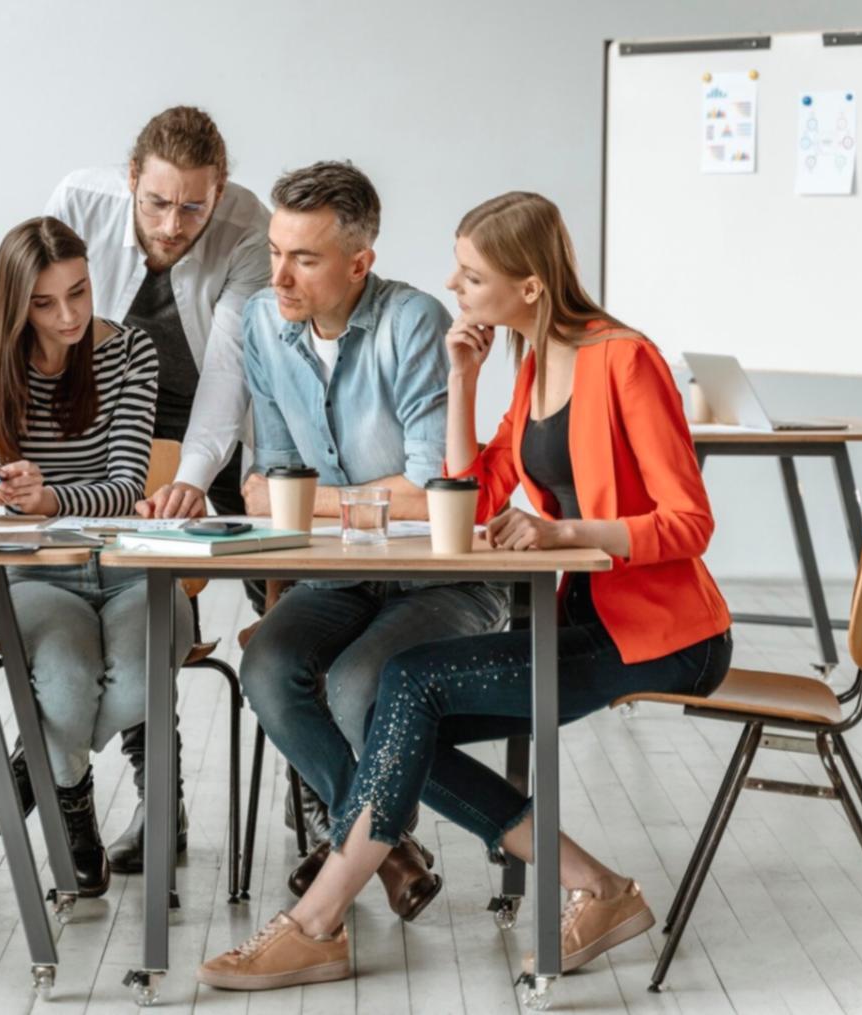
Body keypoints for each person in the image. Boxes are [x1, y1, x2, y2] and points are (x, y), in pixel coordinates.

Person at [199, 191, 734, 990]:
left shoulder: (624, 358)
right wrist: (463, 378)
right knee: (397, 709)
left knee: (410, 683)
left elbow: (691, 522)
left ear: (528, 286)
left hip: (665, 635)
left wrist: (565, 533)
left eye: (471, 272)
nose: (453, 283)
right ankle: (598, 886)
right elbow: (471, 492)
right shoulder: (532, 362)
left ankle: (316, 921)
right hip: (583, 621)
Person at [234, 161, 509, 916]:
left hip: (442, 578)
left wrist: (312, 502)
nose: (280, 276)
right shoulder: (262, 321)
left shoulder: (412, 322)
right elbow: (268, 482)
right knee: (268, 661)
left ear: (360, 263)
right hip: (341, 573)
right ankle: (389, 848)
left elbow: (429, 489)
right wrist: (324, 502)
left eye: (306, 258)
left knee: (361, 683)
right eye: (275, 250)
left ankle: (352, 850)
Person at [0, 216, 194, 896]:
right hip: (40, 575)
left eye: (79, 291)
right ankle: (72, 808)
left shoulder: (130, 348)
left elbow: (126, 485)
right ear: (14, 304)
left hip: (138, 568)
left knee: (140, 684)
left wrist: (49, 498)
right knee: (70, 684)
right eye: (45, 304)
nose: (71, 314)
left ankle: (36, 768)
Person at [45, 105, 272, 870]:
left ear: (221, 191)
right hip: (109, 413)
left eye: (193, 207)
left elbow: (229, 373)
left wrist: (190, 481)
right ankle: (160, 804)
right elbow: (42, 327)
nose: (174, 225)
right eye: (158, 202)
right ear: (131, 178)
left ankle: (320, 794)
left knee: (287, 585)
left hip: (216, 414)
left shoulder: (248, 227)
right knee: (134, 594)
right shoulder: (80, 202)